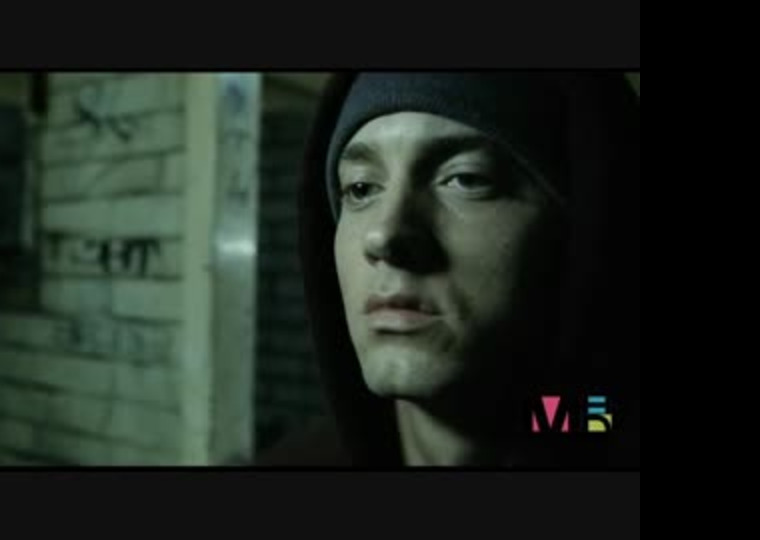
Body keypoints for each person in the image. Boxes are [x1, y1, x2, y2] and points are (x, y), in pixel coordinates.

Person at [257, 72, 639, 467]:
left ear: (589, 234)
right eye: (361, 188)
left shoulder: (599, 425)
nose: (385, 235)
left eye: (466, 179)